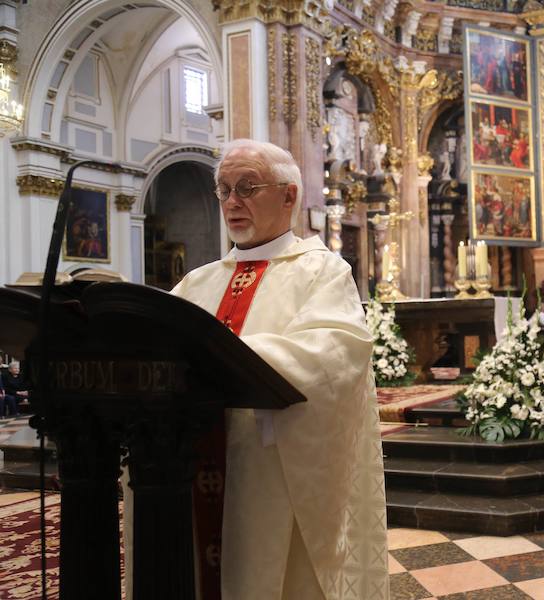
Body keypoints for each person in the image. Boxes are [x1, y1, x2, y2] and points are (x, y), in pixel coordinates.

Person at [126, 139, 387, 600]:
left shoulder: (322, 272)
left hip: (266, 469)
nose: (232, 201)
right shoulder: (196, 282)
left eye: (247, 187)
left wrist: (222, 359)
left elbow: (334, 354)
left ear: (289, 196)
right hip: (182, 460)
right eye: (223, 189)